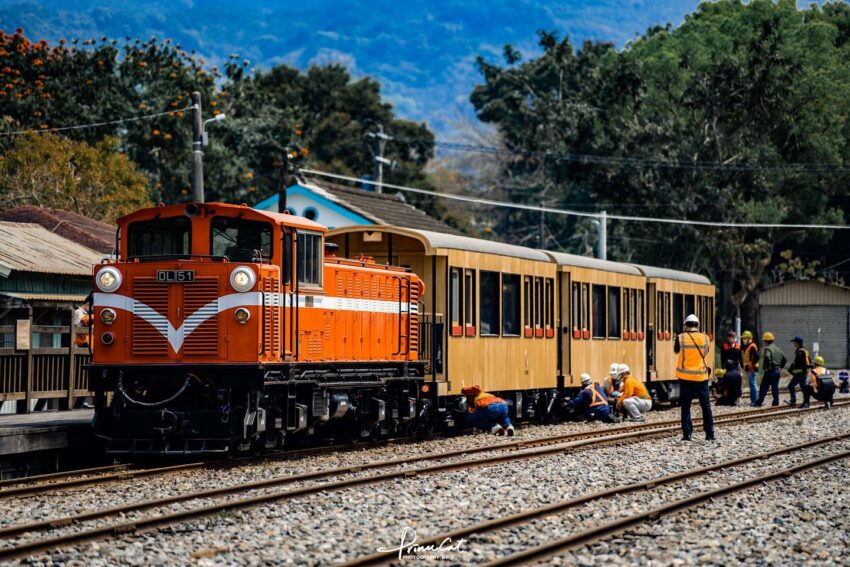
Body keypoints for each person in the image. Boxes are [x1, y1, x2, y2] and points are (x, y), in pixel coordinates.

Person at [674, 314, 714, 441]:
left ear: (685, 325)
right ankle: (709, 434)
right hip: (701, 377)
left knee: (686, 406)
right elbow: (706, 352)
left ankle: (687, 435)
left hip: (685, 378)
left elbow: (676, 351)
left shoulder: (680, 338)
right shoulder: (705, 338)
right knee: (706, 406)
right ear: (698, 325)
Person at [754, 332, 786, 407]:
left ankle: (759, 402)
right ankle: (776, 402)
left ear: (765, 341)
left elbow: (768, 357)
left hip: (770, 371)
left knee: (764, 387)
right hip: (777, 371)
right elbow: (784, 359)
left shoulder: (768, 349)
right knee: (775, 387)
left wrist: (767, 367)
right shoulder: (778, 349)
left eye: (763, 340)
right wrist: (781, 366)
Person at [787, 336, 811, 408]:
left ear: (797, 343)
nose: (793, 344)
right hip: (804, 373)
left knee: (791, 386)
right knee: (803, 388)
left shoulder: (799, 352)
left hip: (800, 373)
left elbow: (799, 363)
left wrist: (792, 368)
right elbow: (809, 361)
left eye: (794, 342)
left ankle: (793, 401)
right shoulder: (805, 351)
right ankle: (806, 403)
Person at [741, 331, 760, 405]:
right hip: (750, 368)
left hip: (752, 368)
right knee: (752, 384)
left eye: (745, 338)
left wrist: (752, 364)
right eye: (743, 339)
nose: (743, 340)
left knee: (753, 384)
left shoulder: (752, 346)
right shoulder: (748, 346)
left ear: (749, 338)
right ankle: (753, 400)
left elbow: (757, 356)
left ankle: (755, 400)